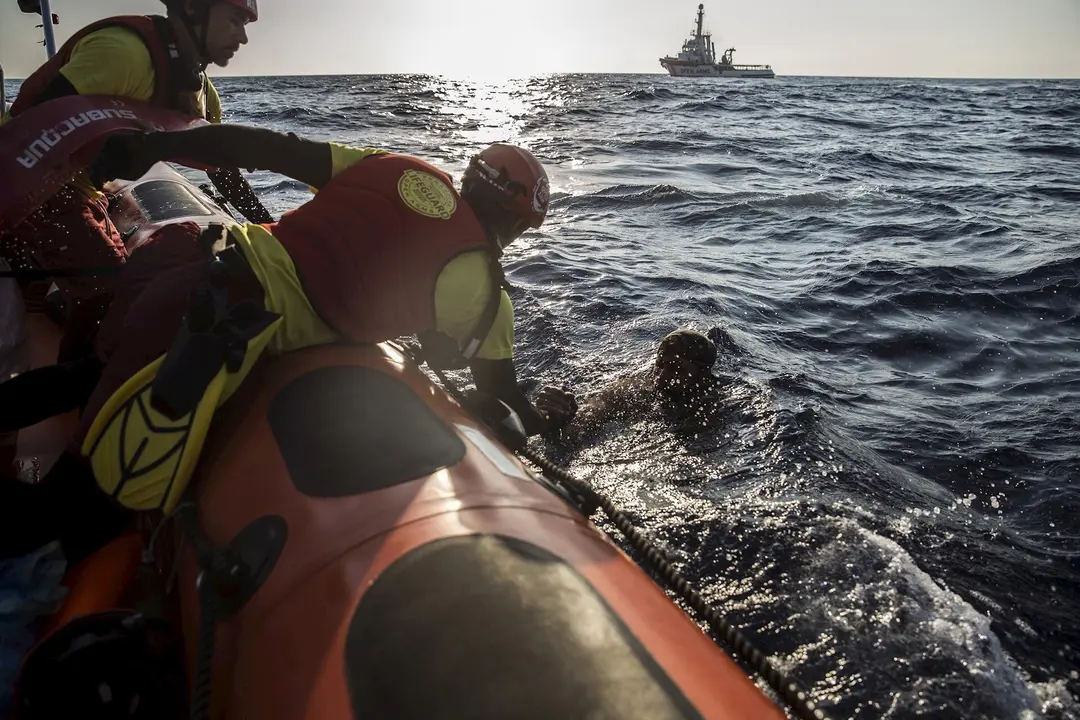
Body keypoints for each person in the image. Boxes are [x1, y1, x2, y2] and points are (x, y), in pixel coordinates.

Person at [0, 123, 578, 563]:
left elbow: (268, 148)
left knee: (89, 378)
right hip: (209, 329)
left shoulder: (400, 167)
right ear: (516, 224)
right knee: (74, 516)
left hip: (187, 272)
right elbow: (498, 396)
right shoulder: (483, 292)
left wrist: (153, 144)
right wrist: (549, 414)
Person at [0, 0, 271, 362]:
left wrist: (263, 219)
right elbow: (32, 129)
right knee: (108, 288)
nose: (243, 37)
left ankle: (44, 291)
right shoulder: (122, 53)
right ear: (192, 10)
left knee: (115, 272)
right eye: (236, 20)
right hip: (35, 183)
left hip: (86, 187)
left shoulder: (199, 90)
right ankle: (76, 384)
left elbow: (219, 167)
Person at [555, 328, 729, 442]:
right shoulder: (634, 389)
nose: (661, 377)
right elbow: (585, 423)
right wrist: (563, 420)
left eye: (676, 369)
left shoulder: (713, 407)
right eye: (660, 365)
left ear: (704, 376)